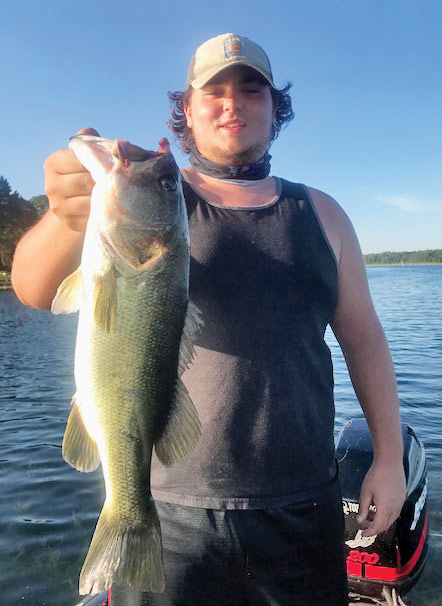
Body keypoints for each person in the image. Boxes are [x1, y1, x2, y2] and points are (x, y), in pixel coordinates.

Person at [12, 33, 406, 606]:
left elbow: (366, 340)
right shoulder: (150, 196)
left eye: (252, 89)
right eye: (213, 91)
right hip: (170, 512)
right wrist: (67, 216)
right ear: (187, 113)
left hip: (304, 507)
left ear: (276, 110)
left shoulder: (322, 214)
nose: (232, 102)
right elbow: (33, 286)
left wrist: (389, 459)